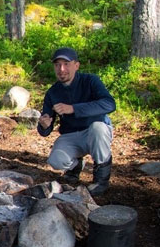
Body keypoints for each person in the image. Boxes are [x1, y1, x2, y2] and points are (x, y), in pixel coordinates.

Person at [37, 47, 115, 196]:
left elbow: (109, 104)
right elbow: (45, 130)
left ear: (76, 65)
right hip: (71, 135)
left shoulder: (90, 81)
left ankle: (101, 180)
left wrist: (73, 109)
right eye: (57, 65)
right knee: (55, 160)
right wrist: (44, 125)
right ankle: (75, 166)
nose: (61, 69)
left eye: (66, 64)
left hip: (94, 132)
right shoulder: (53, 92)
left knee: (98, 128)